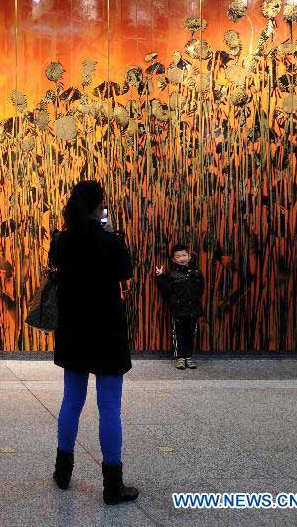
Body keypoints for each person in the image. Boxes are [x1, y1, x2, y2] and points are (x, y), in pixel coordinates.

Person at [48, 180, 139, 505]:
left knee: (71, 401)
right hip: (107, 333)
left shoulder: (61, 241)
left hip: (73, 332)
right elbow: (125, 273)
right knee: (109, 407)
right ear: (99, 207)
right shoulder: (111, 242)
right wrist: (110, 230)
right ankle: (113, 486)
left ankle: (63, 473)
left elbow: (55, 267)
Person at [156, 244, 205, 370]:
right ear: (174, 259)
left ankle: (188, 357)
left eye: (184, 255)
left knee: (190, 334)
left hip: (193, 310)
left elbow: (201, 289)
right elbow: (166, 291)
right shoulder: (172, 275)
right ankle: (180, 358)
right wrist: (160, 276)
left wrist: (194, 300)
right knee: (178, 334)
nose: (182, 258)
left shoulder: (196, 272)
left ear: (189, 257)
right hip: (178, 311)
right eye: (178, 256)